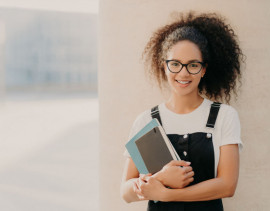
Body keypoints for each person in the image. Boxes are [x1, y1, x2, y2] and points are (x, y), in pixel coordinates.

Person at [121, 11, 244, 211]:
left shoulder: (224, 116)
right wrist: (160, 178)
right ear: (164, 66)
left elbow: (227, 186)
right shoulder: (146, 120)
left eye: (193, 65)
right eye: (175, 64)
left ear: (203, 70)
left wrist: (167, 194)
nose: (183, 73)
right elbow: (125, 192)